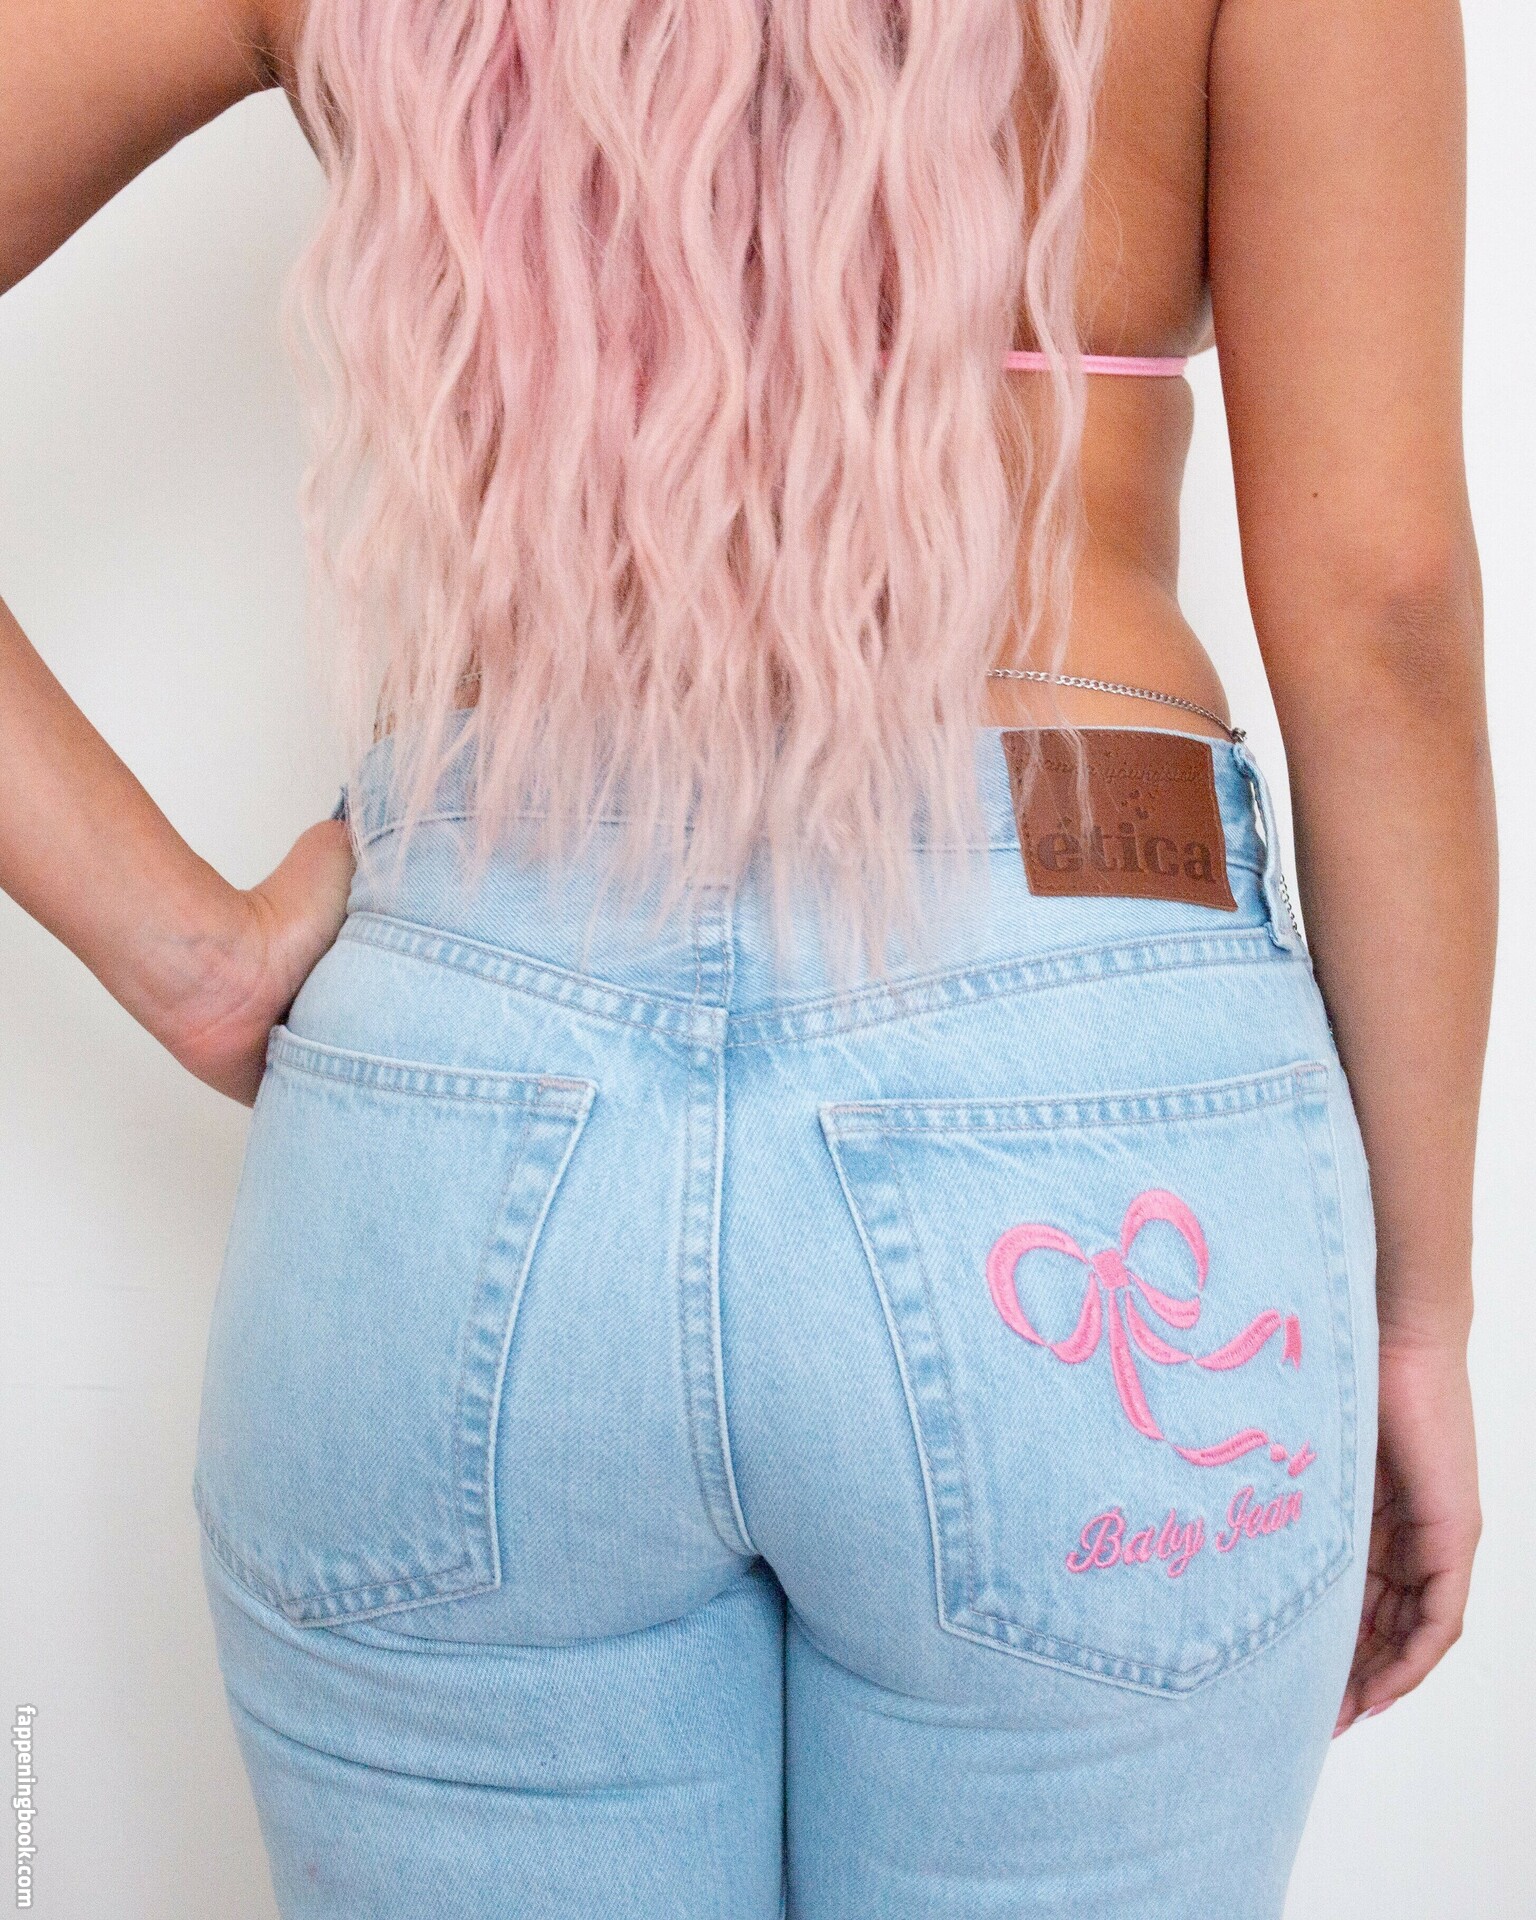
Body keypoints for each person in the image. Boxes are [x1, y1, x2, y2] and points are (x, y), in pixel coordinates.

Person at [0, 0, 1492, 1914]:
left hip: (472, 1084)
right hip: (1072, 1102)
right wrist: (1417, 1314)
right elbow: (1383, 601)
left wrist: (186, 950)